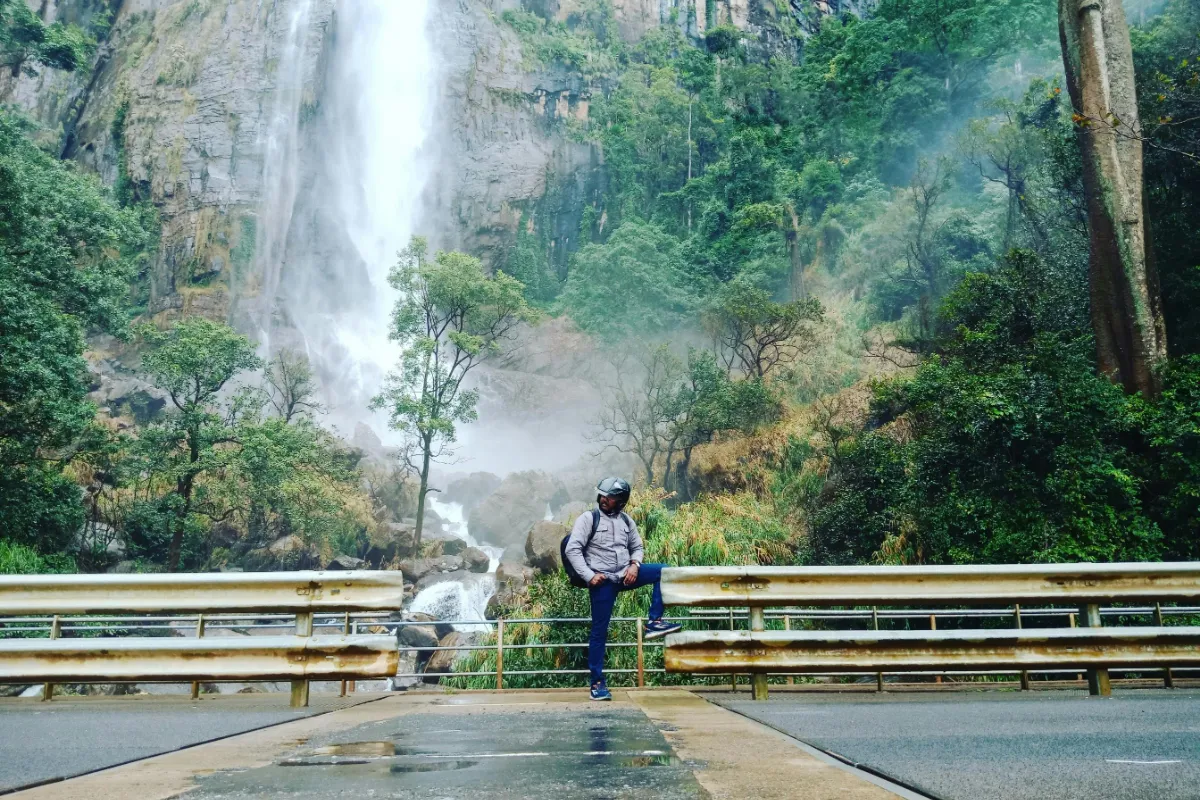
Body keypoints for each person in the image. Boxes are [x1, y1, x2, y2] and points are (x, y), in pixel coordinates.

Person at [564, 477, 682, 701]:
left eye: (609, 498)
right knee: (600, 631)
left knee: (664, 571)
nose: (604, 499)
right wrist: (590, 576)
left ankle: (654, 622)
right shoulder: (589, 518)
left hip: (626, 576)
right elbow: (573, 550)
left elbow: (637, 547)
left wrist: (635, 565)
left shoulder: (627, 521)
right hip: (602, 582)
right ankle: (597, 683)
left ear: (621, 501)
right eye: (603, 496)